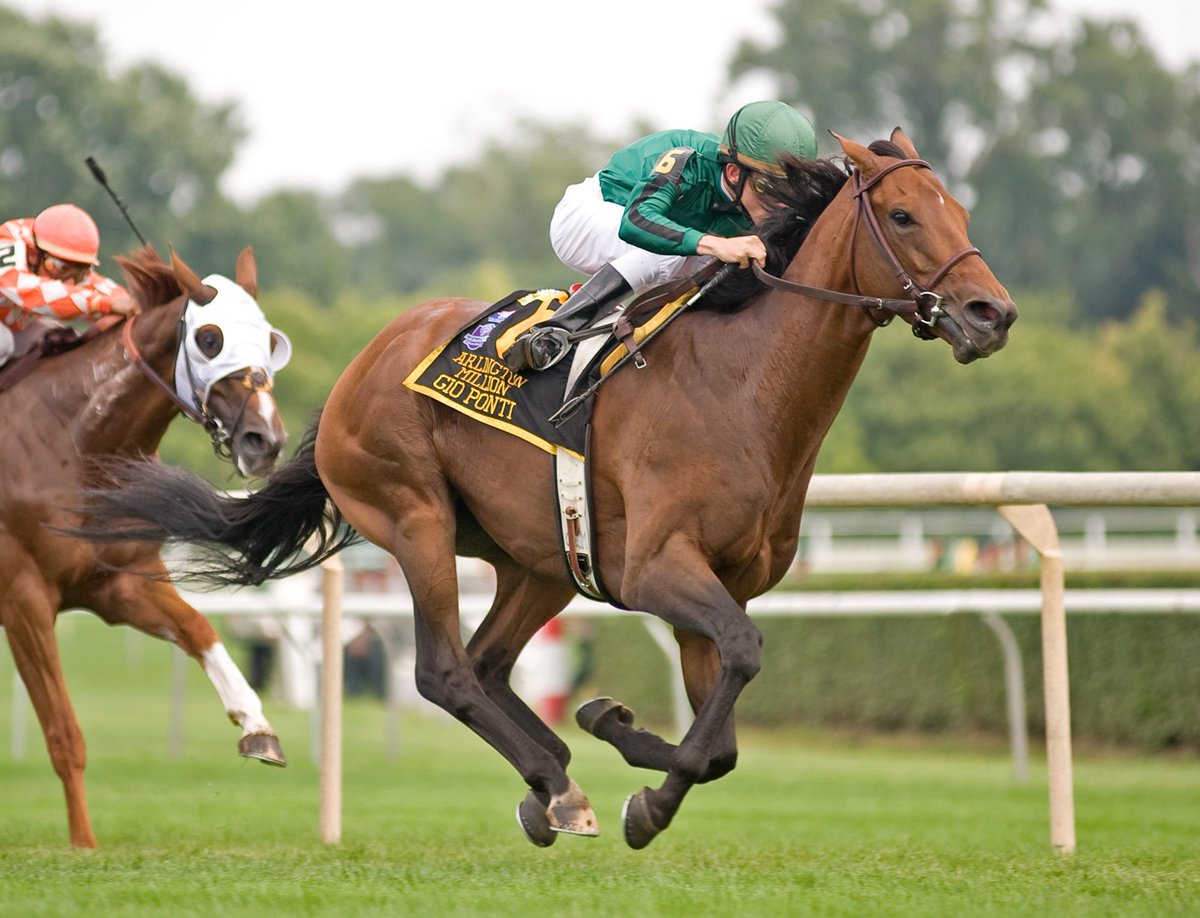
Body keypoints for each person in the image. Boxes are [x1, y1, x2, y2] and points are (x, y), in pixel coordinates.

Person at [504, 100, 818, 373]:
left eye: (792, 189)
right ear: (735, 173)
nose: (781, 203)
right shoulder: (687, 160)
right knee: (675, 250)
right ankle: (551, 333)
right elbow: (636, 222)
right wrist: (718, 244)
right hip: (587, 217)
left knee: (723, 272)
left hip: (641, 244)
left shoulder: (752, 192)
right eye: (769, 188)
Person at [0, 203, 140, 368]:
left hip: (13, 325)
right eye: (59, 267)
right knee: (3, 341)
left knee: (59, 339)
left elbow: (100, 287)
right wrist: (102, 304)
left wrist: (131, 304)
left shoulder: (55, 255)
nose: (68, 282)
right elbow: (31, 292)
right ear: (34, 253)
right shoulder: (8, 240)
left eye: (79, 271)